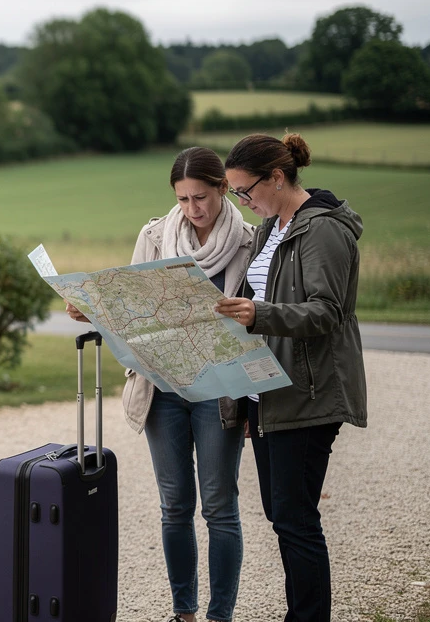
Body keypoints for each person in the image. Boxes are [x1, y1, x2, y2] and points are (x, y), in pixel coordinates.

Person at [67, 147, 253, 622]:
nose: (193, 208)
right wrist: (93, 311)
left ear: (223, 189)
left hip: (219, 391)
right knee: (174, 506)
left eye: (201, 197)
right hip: (162, 389)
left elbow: (261, 323)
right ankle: (183, 613)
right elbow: (132, 314)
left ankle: (220, 616)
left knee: (219, 506)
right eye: (183, 198)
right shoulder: (154, 236)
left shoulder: (249, 242)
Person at [216, 133, 366, 621]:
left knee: (296, 519)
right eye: (236, 192)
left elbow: (328, 312)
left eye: (245, 190)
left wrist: (259, 314)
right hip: (269, 394)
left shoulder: (323, 229)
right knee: (283, 516)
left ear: (277, 177)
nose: (242, 201)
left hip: (309, 392)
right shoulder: (270, 228)